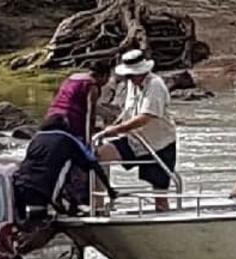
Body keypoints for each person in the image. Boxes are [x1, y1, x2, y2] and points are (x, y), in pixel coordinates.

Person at [97, 49, 178, 212]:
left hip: (159, 143)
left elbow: (145, 117)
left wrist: (116, 130)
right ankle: (98, 202)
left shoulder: (155, 85)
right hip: (135, 139)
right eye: (128, 76)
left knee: (160, 193)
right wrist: (110, 127)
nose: (130, 79)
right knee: (99, 155)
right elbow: (128, 112)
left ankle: (163, 220)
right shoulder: (131, 85)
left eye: (132, 75)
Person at [13, 115, 112, 217]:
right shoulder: (69, 139)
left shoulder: (37, 138)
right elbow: (93, 163)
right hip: (45, 191)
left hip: (20, 185)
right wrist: (109, 189)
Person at [44, 60, 112, 206]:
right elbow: (90, 115)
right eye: (107, 78)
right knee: (80, 161)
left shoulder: (73, 77)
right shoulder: (92, 86)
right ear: (104, 76)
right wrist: (88, 141)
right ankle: (78, 199)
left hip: (52, 119)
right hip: (70, 123)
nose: (107, 82)